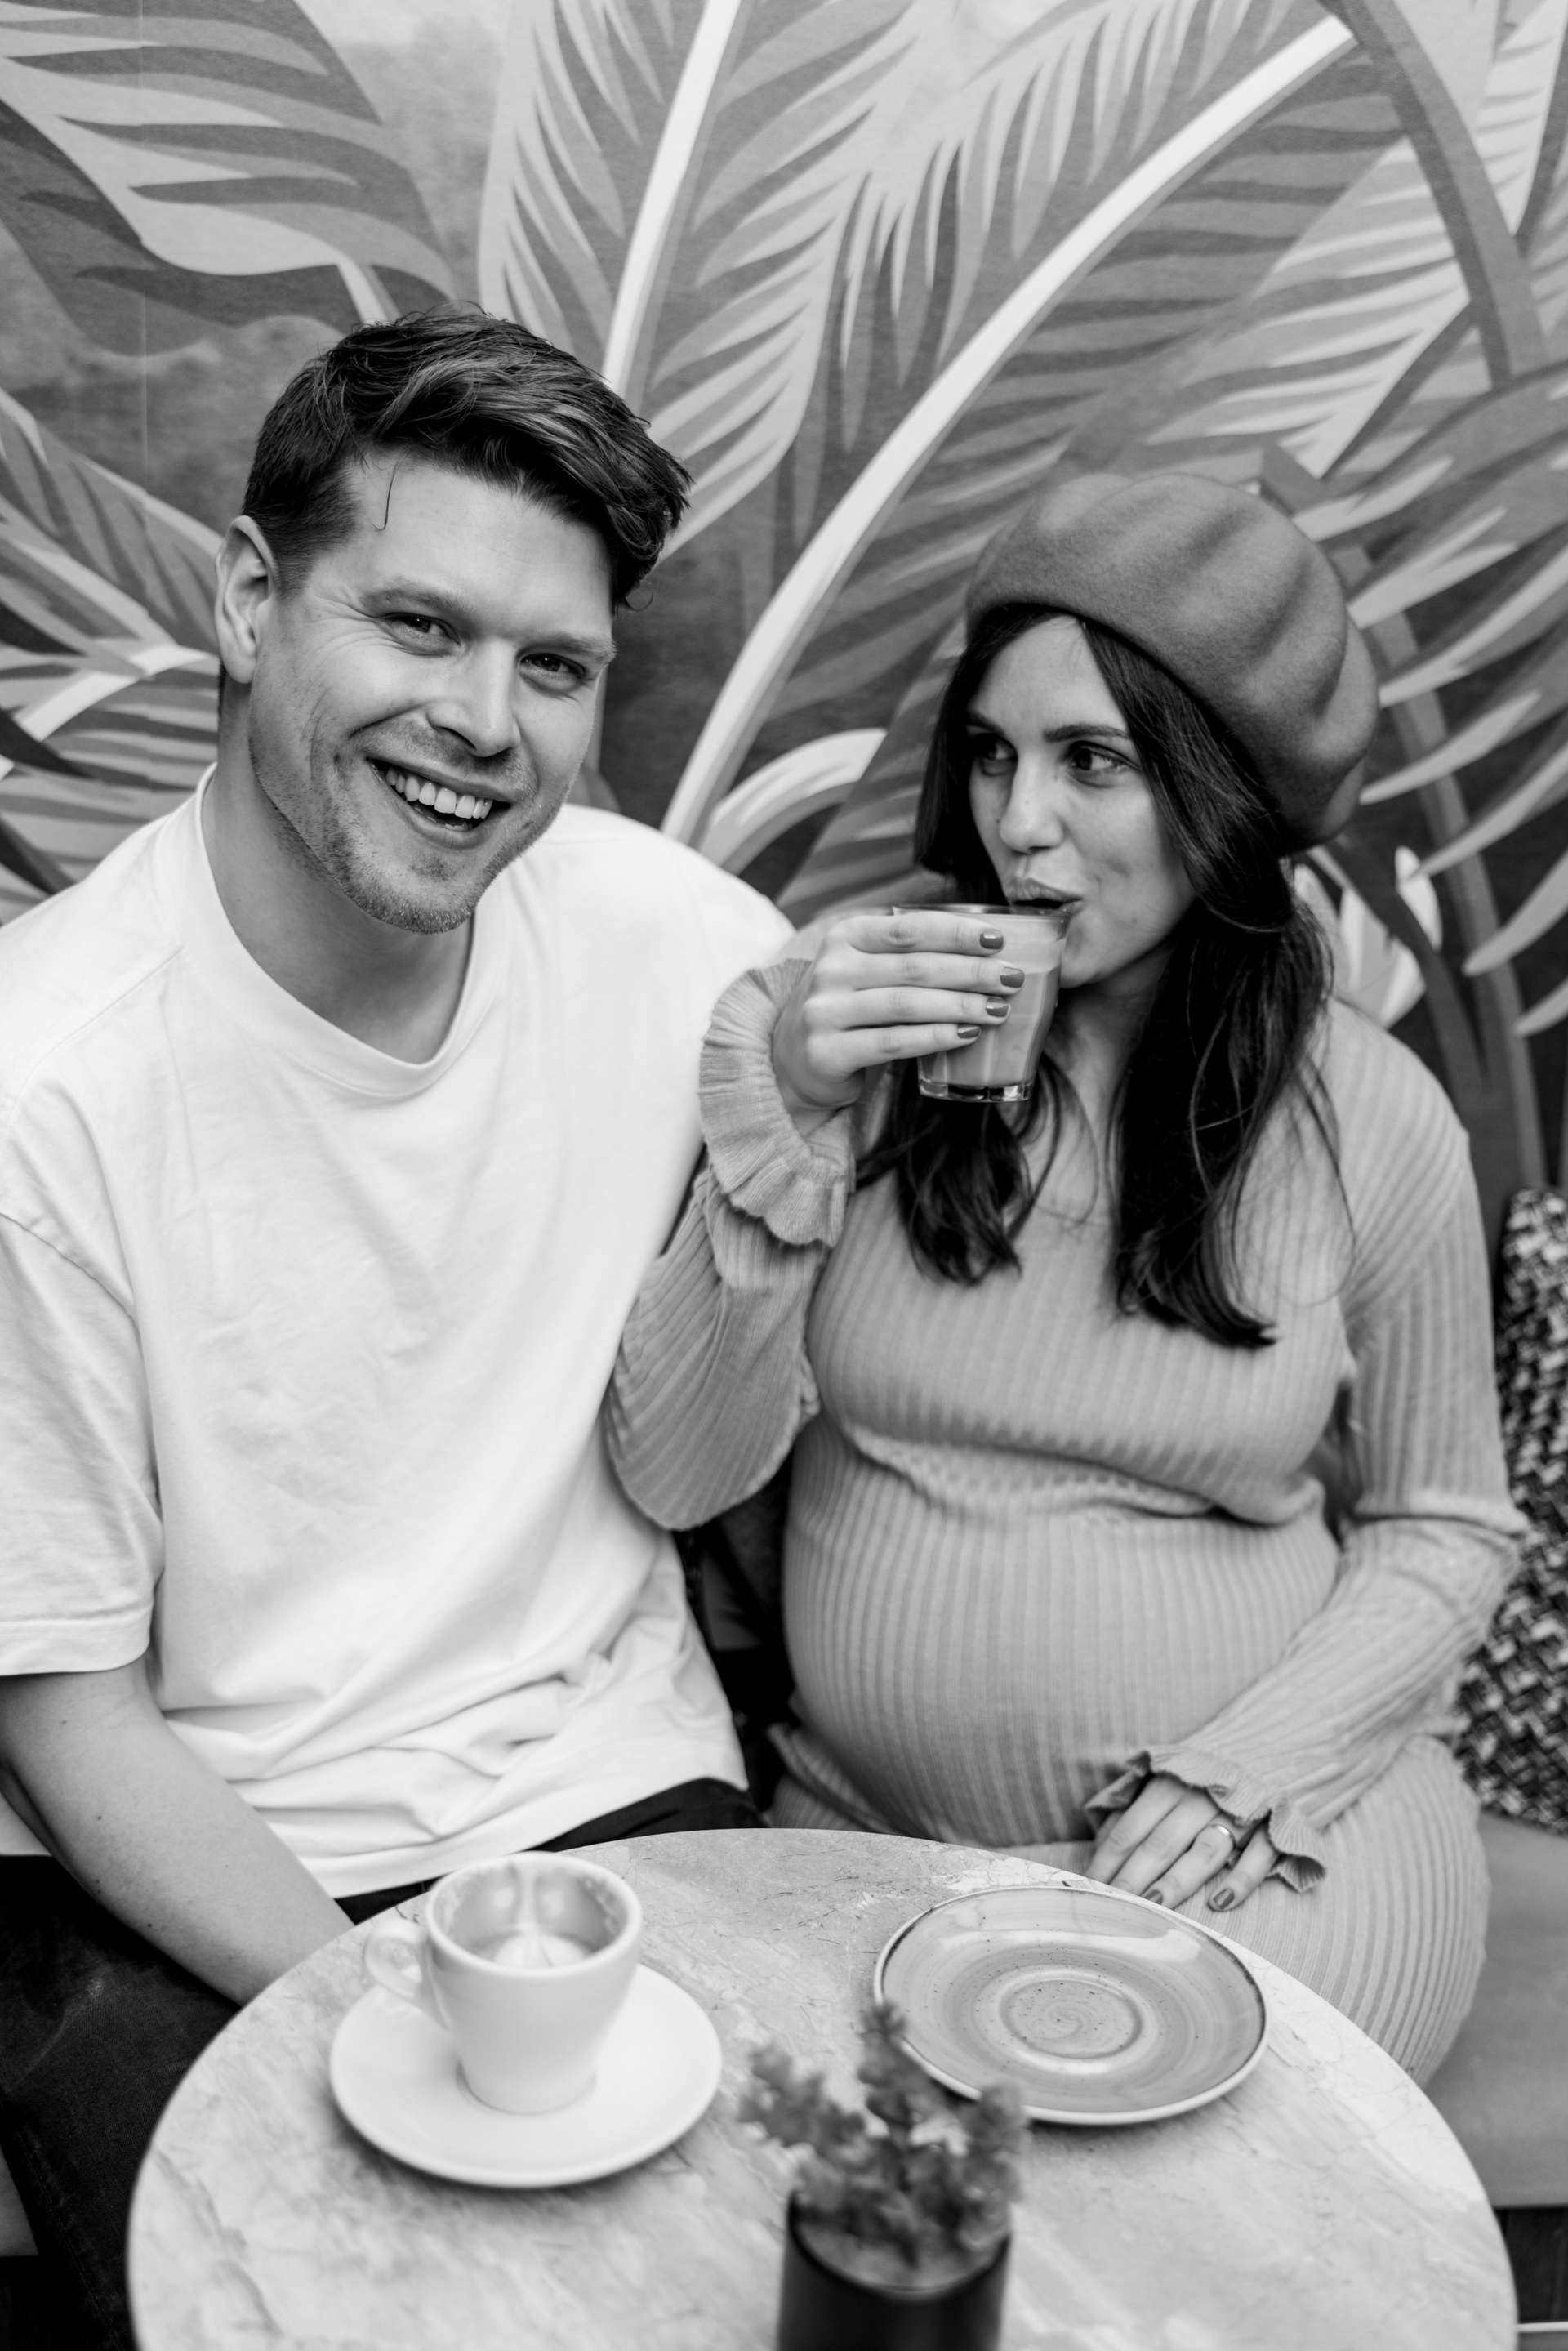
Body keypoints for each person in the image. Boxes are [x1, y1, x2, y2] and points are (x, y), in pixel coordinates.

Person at [0, 311, 789, 2349]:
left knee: (742, 2287)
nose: (483, 722)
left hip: (600, 1783)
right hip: (166, 1857)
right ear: (249, 600)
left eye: (555, 666)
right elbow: (66, 1711)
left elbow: (717, 1447)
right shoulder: (43, 1084)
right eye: (419, 625)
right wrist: (406, 2019)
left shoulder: (687, 953)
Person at [608, 471, 1522, 2084]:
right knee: (861, 2145)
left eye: (1092, 760)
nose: (1015, 821)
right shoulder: (850, 1025)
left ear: (1223, 790)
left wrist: (1245, 1770)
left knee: (1218, 2127)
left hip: (1264, 1829)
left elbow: (1444, 1525)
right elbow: (676, 1468)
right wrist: (792, 1108)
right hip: (884, 1828)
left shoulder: (1373, 1117)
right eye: (991, 752)